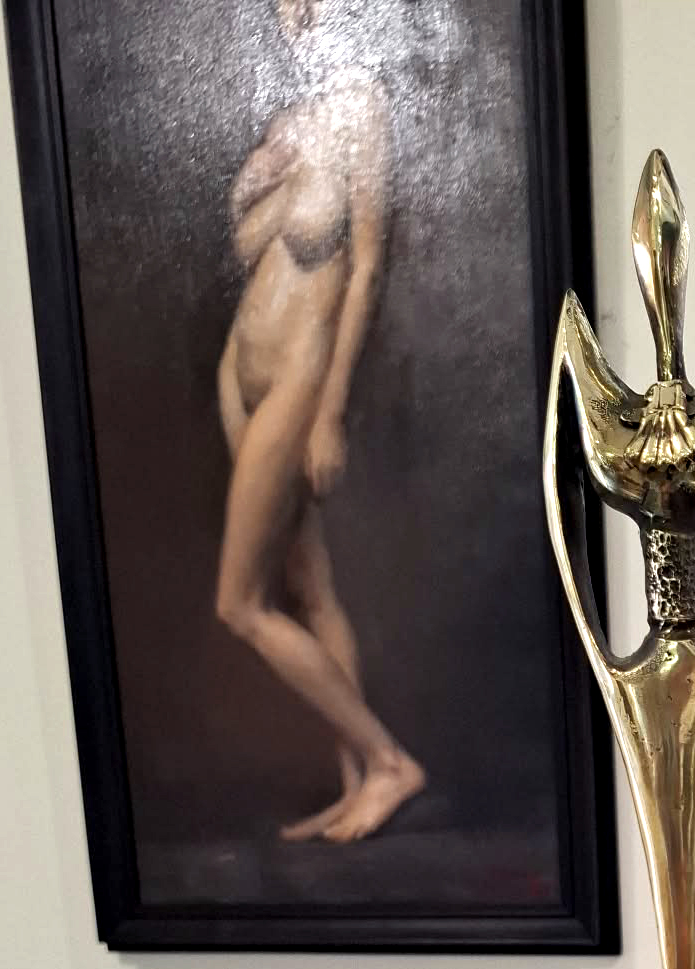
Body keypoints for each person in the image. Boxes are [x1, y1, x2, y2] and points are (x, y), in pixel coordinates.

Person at [215, 0, 424, 843]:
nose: (291, 12)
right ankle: (354, 790)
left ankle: (389, 763)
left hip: (298, 376)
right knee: (309, 585)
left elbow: (365, 264)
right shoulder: (288, 119)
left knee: (240, 604)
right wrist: (270, 184)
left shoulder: (364, 109)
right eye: (281, 3)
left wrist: (330, 409)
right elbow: (244, 247)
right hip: (238, 370)